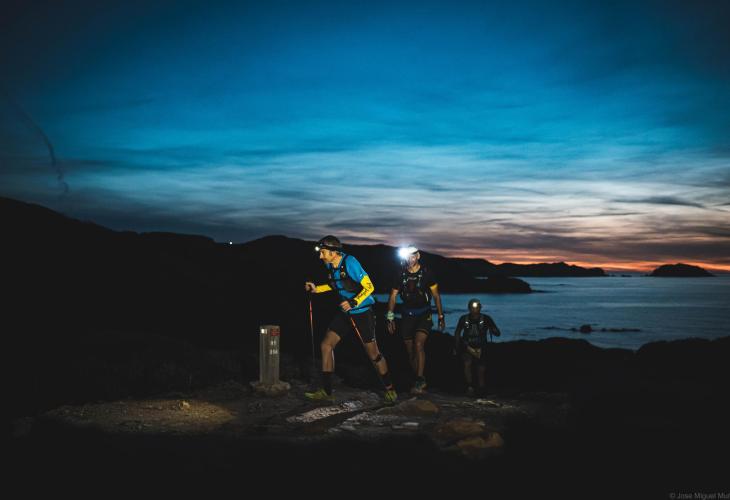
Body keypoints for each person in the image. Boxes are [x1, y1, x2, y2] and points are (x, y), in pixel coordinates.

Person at [304, 235, 397, 403]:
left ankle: (390, 389)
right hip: (346, 313)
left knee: (374, 354)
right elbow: (335, 284)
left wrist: (354, 302)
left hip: (362, 312)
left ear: (333, 252)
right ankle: (326, 391)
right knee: (326, 345)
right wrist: (317, 289)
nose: (320, 256)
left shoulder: (350, 262)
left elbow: (370, 286)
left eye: (323, 252)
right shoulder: (330, 265)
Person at [385, 245, 445, 394]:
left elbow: (436, 295)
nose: (409, 259)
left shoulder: (427, 273)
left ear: (418, 256)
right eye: (407, 256)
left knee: (419, 344)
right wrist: (390, 317)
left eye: (412, 256)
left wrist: (441, 316)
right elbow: (392, 296)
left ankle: (419, 379)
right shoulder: (400, 274)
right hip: (407, 315)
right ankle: (419, 377)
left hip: (424, 314)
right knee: (410, 351)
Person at [453, 298, 501, 396]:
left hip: (482, 347)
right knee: (467, 363)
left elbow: (497, 333)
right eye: (473, 307)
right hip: (467, 346)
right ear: (469, 308)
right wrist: (456, 346)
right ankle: (470, 387)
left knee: (481, 369)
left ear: (480, 308)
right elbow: (457, 332)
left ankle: (481, 388)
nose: (475, 309)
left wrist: (493, 329)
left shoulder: (486, 318)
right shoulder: (463, 318)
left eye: (477, 307)